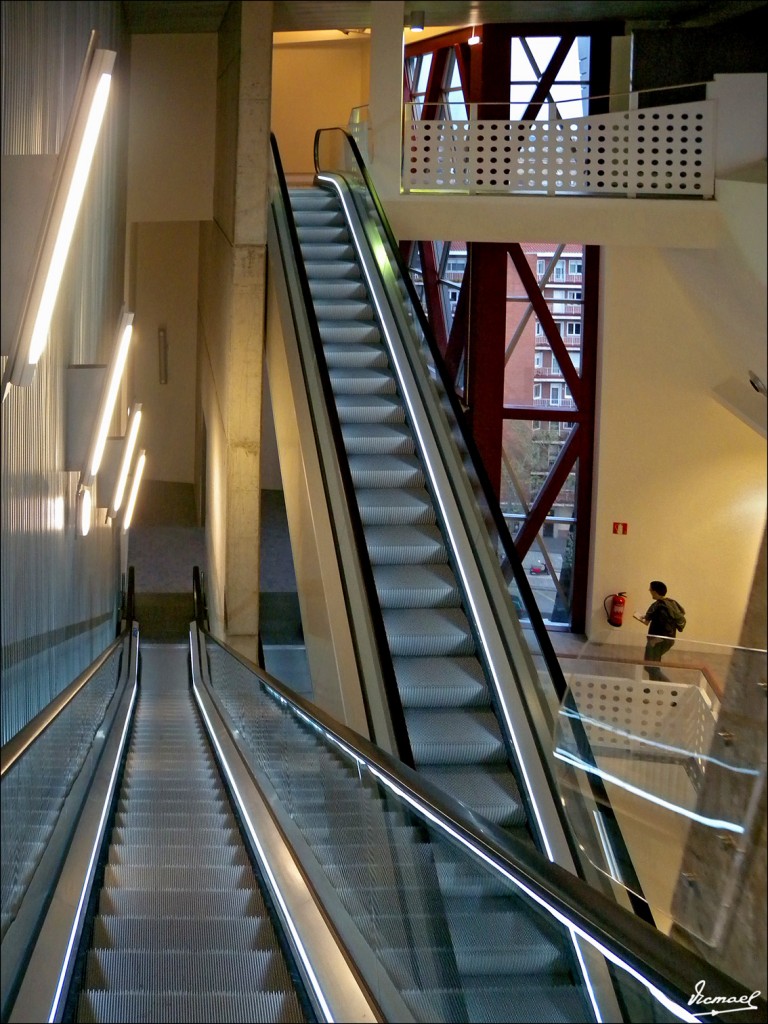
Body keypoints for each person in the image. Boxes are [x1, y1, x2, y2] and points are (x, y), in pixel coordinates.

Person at [636, 580, 684, 682]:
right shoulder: (671, 603)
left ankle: (672, 689)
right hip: (669, 640)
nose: (649, 590)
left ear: (655, 591)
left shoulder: (656, 606)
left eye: (651, 589)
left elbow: (648, 622)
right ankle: (653, 687)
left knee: (650, 667)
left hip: (656, 641)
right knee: (654, 666)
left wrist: (655, 640)